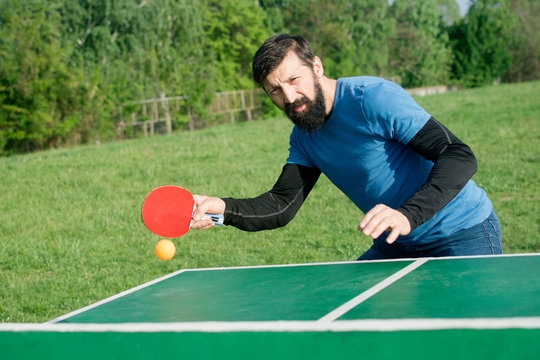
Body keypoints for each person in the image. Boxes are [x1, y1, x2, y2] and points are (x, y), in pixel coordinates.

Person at [191, 34, 502, 260]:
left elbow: (458, 155)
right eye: (275, 90)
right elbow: (281, 206)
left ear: (316, 67)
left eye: (294, 80)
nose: (289, 97)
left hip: (461, 232)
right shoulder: (304, 135)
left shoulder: (372, 98)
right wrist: (221, 208)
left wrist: (407, 214)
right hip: (395, 244)